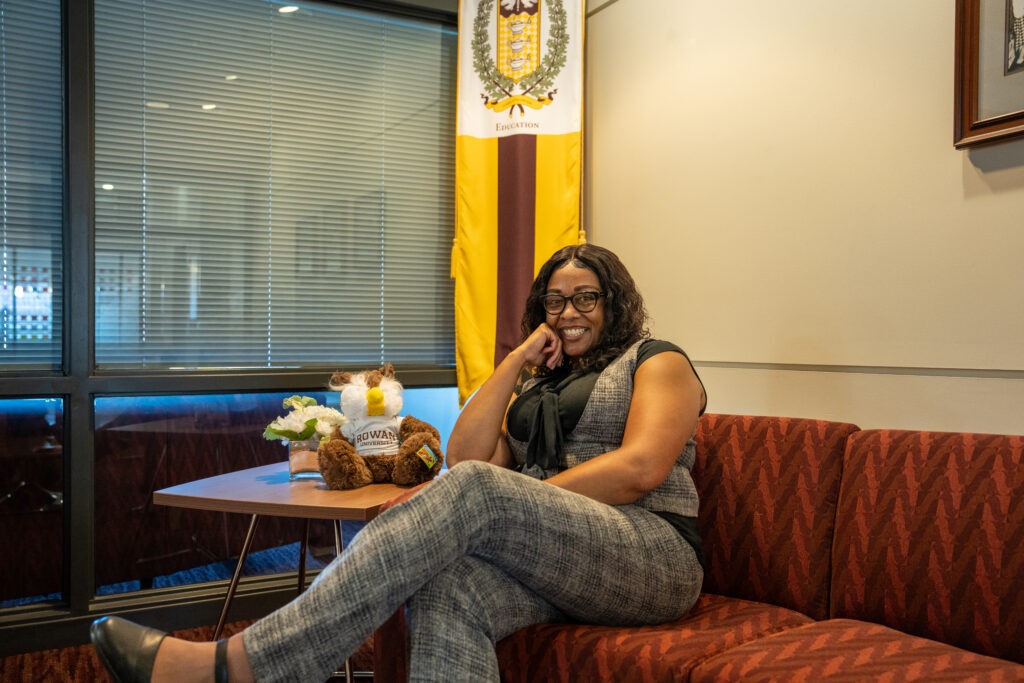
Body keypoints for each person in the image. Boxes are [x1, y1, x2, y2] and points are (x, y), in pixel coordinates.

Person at [90, 243, 707, 683]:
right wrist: (516, 360)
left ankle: (249, 665)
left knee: (478, 491)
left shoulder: (656, 361)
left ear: (615, 301)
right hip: (556, 558)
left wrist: (516, 498)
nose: (569, 312)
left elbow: (640, 469)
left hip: (650, 554)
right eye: (555, 300)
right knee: (447, 585)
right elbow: (466, 454)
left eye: (586, 298)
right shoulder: (539, 384)